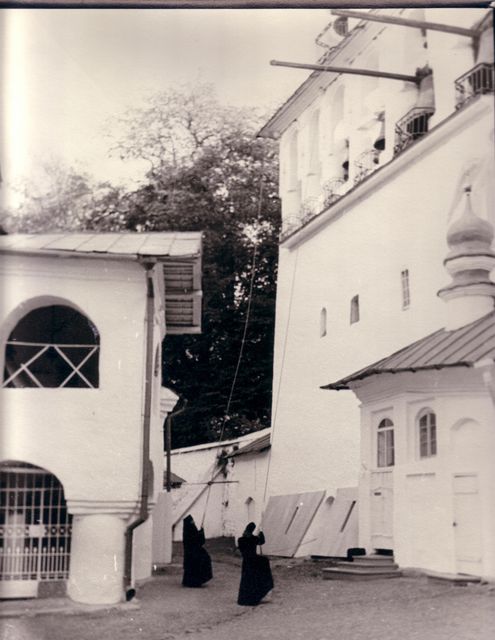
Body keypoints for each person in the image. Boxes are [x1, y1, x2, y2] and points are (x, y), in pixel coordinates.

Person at [237, 522, 274, 606]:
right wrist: (261, 532)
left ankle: (245, 599)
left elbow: (241, 549)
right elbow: (262, 541)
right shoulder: (254, 539)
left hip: (246, 561)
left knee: (247, 580)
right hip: (253, 560)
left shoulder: (240, 539)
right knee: (264, 563)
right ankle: (257, 595)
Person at [182, 515, 213, 588]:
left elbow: (197, 538)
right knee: (203, 560)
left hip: (192, 552)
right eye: (191, 522)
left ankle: (193, 581)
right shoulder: (189, 531)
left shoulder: (187, 530)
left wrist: (200, 532)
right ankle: (196, 581)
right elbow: (198, 540)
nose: (193, 523)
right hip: (194, 553)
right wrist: (201, 532)